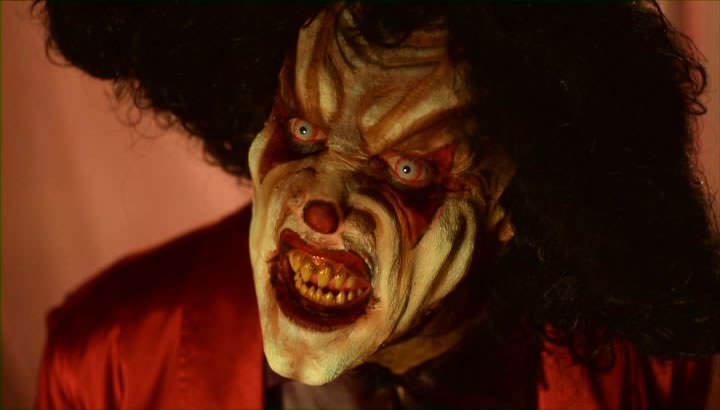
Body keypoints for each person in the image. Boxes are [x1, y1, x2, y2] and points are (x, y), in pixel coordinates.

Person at [36, 2, 720, 408]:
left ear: (512, 204)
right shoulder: (105, 363)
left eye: (406, 168)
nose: (321, 209)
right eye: (302, 132)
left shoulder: (658, 377)